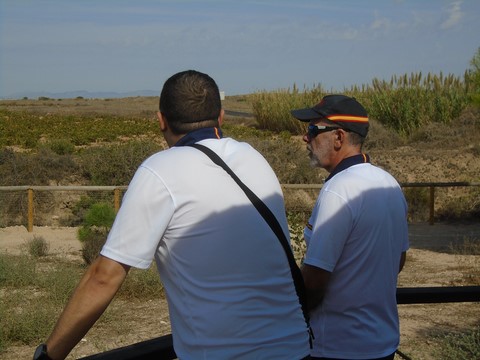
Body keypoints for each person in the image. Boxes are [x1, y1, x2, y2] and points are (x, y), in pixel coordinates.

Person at [33, 70, 310, 360]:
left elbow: (105, 276)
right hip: (297, 348)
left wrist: (49, 356)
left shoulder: (160, 170)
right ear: (222, 117)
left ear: (161, 120)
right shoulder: (253, 157)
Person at [290, 95, 409, 360]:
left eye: (312, 130)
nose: (305, 139)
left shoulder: (339, 190)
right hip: (382, 342)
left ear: (339, 137)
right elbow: (398, 260)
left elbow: (315, 280)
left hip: (338, 346)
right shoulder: (389, 183)